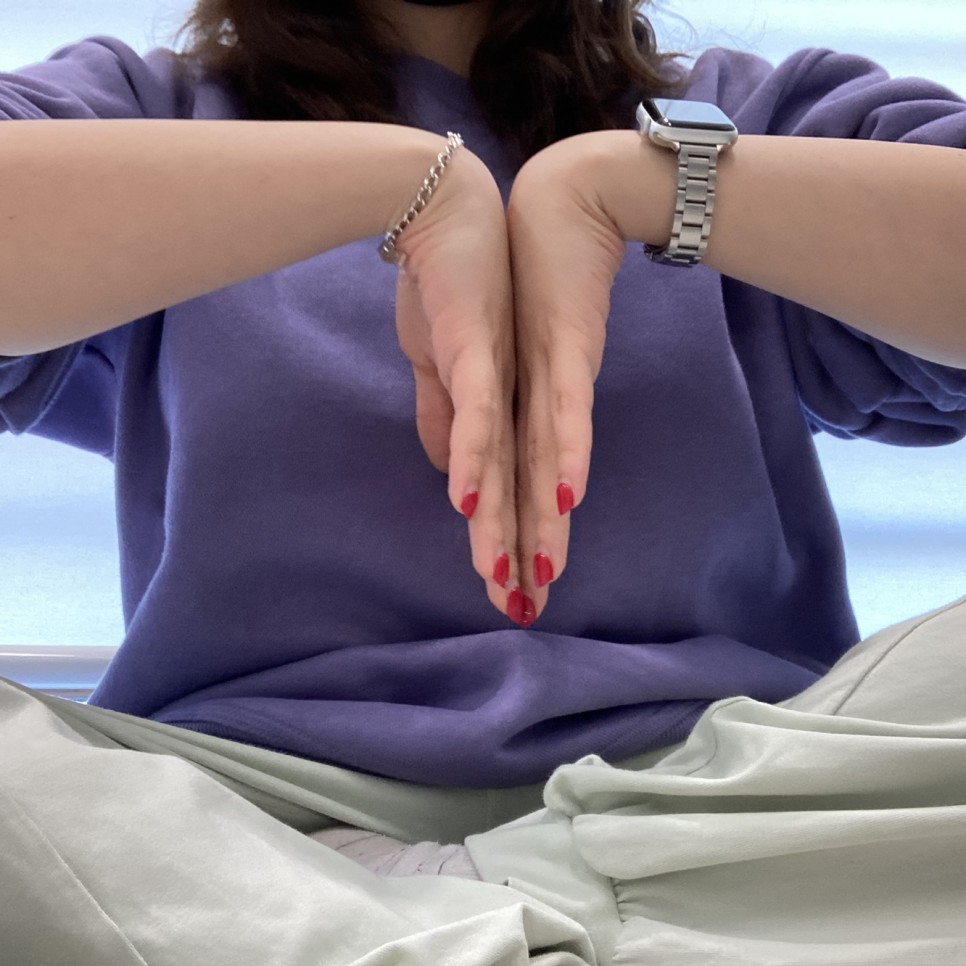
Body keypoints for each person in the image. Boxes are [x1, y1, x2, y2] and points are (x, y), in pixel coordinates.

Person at [1, 0, 966, 962]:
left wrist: (615, 187)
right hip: (255, 838)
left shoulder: (750, 115)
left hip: (727, 807)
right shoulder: (141, 113)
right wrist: (414, 186)